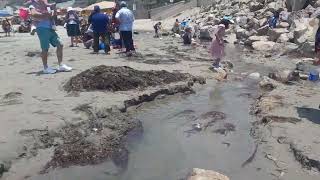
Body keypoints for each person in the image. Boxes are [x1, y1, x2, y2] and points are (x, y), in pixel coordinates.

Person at [30, 0, 72, 74]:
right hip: (42, 28)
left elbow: (53, 16)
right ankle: (45, 68)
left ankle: (61, 65)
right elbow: (33, 14)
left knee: (60, 44)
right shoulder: (33, 5)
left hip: (50, 28)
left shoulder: (48, 7)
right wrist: (45, 15)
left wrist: (54, 9)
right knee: (45, 48)